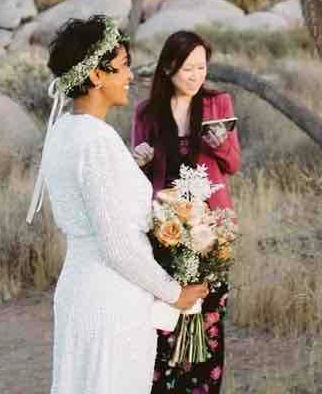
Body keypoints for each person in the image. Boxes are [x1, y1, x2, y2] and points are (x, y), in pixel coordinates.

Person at [26, 15, 208, 394]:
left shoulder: (65, 131)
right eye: (123, 66)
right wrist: (175, 292)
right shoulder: (96, 142)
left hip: (81, 287)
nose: (129, 75)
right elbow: (117, 245)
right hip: (110, 299)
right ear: (96, 75)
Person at [131, 30, 241, 393]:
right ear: (167, 69)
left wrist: (222, 145)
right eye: (187, 68)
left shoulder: (218, 103)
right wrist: (140, 162)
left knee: (208, 319)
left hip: (212, 228)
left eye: (201, 67)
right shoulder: (147, 113)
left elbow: (234, 164)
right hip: (165, 226)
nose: (196, 76)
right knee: (165, 320)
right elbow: (140, 176)